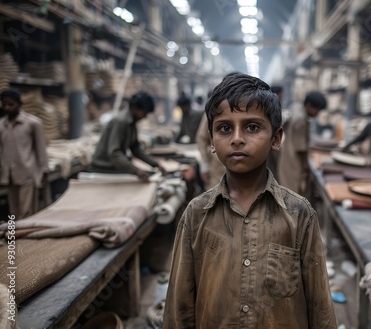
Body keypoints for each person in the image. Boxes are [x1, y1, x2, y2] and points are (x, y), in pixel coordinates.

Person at [163, 74, 337, 328]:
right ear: (212, 140)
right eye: (224, 128)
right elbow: (179, 307)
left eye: (252, 127)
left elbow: (319, 305)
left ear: (276, 138)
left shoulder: (300, 214)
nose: (236, 138)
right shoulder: (196, 214)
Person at [90, 92, 167, 182]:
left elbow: (135, 149)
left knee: (150, 175)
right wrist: (136, 171)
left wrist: (155, 164)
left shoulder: (131, 123)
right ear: (134, 109)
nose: (145, 116)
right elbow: (114, 153)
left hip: (113, 166)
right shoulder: (121, 122)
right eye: (144, 112)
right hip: (103, 167)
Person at [0, 89, 49, 219]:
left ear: (19, 104)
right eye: (4, 104)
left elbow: (40, 149)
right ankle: (13, 237)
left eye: (10, 104)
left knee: (27, 212)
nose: (7, 108)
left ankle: (25, 237)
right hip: (9, 175)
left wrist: (44, 171)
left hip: (27, 173)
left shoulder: (32, 123)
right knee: (13, 213)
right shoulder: (1, 125)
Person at [277, 91, 327, 196]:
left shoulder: (296, 111)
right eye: (317, 110)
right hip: (294, 162)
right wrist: (306, 165)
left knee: (287, 190)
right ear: (309, 106)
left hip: (287, 157)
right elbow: (300, 147)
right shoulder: (301, 120)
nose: (317, 113)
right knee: (293, 192)